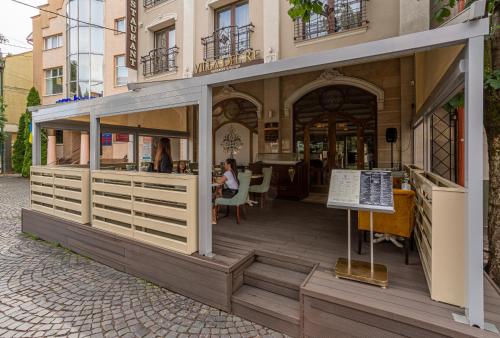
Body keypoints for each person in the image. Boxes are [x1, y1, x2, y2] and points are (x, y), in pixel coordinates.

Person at [212, 159, 240, 224]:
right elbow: (223, 181)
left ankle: (214, 219)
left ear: (229, 165)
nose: (224, 165)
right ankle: (216, 214)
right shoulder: (233, 171)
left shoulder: (228, 173)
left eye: (224, 164)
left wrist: (214, 179)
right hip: (235, 192)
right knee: (217, 193)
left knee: (214, 198)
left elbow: (219, 181)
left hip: (231, 193)